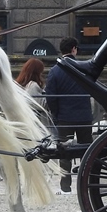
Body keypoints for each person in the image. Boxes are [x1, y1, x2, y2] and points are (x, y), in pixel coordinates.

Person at [44, 38, 94, 195]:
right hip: (84, 116)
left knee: (64, 154)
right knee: (88, 151)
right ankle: (89, 184)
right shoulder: (83, 68)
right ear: (74, 49)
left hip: (65, 117)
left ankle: (65, 187)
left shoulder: (55, 71)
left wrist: (56, 114)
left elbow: (50, 97)